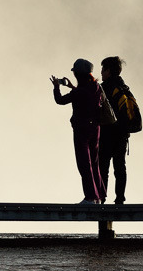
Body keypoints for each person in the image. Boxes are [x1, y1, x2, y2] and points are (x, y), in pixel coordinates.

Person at [52, 58, 106, 204]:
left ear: (78, 74)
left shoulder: (80, 91)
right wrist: (71, 87)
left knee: (84, 163)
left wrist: (57, 86)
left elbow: (60, 100)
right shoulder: (95, 86)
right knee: (94, 163)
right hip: (95, 128)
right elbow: (84, 96)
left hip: (82, 129)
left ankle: (90, 197)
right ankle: (99, 196)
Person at [98, 56, 130, 205]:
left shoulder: (103, 89)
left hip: (106, 133)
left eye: (103, 69)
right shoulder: (124, 88)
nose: (101, 72)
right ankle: (120, 198)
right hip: (122, 134)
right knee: (120, 167)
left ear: (108, 71)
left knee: (103, 167)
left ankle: (101, 197)